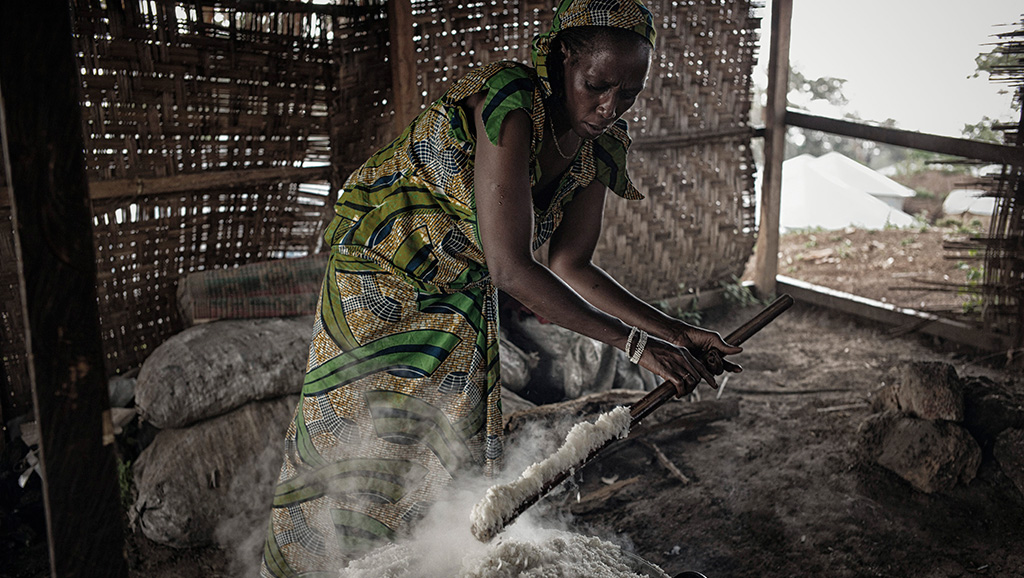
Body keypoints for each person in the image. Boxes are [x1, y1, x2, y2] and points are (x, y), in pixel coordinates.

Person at [260, 0, 741, 574]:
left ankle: (412, 568)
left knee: (436, 454)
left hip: (459, 293)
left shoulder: (598, 145)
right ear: (564, 57)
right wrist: (636, 347)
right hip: (380, 277)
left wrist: (676, 332)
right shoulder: (511, 103)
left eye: (629, 94)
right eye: (596, 85)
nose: (610, 106)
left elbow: (572, 264)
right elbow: (511, 269)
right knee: (350, 440)